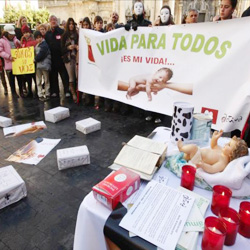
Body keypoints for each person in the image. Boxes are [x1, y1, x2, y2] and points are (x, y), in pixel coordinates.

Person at [177, 130, 248, 174]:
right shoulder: (221, 150)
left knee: (193, 148)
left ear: (232, 154)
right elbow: (213, 146)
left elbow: (212, 169)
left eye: (229, 145)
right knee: (188, 154)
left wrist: (203, 165)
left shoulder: (223, 162)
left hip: (199, 159)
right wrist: (215, 138)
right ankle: (184, 156)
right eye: (228, 142)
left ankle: (181, 148)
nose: (226, 144)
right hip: (198, 153)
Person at [45, 15, 70, 98]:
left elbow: (65, 44)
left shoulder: (61, 31)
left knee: (64, 75)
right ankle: (55, 91)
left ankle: (67, 90)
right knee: (53, 76)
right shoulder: (47, 34)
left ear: (57, 21)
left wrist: (64, 54)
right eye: (51, 20)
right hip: (51, 58)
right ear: (49, 22)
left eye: (55, 20)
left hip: (61, 57)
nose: (53, 21)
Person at [0, 24, 24, 98]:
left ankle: (21, 91)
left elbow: (21, 47)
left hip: (17, 62)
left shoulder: (15, 39)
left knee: (20, 78)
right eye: (10, 34)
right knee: (11, 79)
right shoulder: (2, 41)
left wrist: (19, 45)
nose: (12, 36)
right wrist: (9, 57)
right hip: (9, 63)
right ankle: (13, 92)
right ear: (6, 33)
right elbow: (1, 52)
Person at [61, 18, 78, 102]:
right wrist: (68, 47)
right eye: (70, 24)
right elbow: (61, 49)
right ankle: (73, 94)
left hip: (76, 57)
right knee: (71, 77)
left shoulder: (77, 34)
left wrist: (77, 47)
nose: (71, 25)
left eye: (72, 24)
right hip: (68, 59)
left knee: (77, 76)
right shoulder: (64, 35)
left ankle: (78, 93)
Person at [20, 25, 37, 98]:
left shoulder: (33, 41)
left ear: (29, 32)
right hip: (26, 64)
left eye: (27, 32)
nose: (26, 34)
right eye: (24, 33)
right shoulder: (22, 41)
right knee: (28, 78)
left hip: (33, 62)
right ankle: (30, 91)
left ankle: (36, 91)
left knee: (35, 78)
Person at [34, 30, 51, 101]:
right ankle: (41, 94)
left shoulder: (44, 45)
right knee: (40, 80)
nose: (39, 39)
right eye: (37, 38)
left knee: (45, 80)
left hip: (43, 65)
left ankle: (46, 93)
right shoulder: (38, 45)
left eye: (40, 37)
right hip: (40, 65)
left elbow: (41, 54)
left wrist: (35, 59)